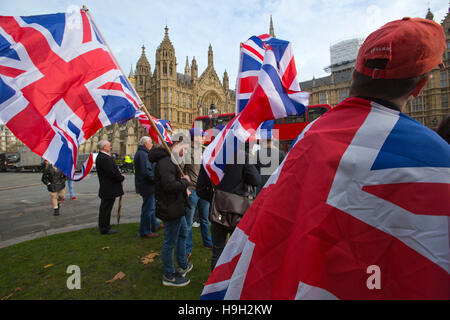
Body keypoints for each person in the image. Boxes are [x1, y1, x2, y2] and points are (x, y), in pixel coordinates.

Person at [201, 17, 450, 299]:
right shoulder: (441, 164)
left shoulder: (307, 141)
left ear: (355, 74)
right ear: (420, 86)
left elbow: (261, 241)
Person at [197, 144, 261, 271]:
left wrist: (215, 199)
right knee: (236, 251)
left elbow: (200, 189)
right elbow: (256, 180)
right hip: (237, 211)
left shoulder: (209, 157)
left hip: (218, 211)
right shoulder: (240, 155)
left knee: (218, 251)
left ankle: (215, 287)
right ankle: (230, 285)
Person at [148, 138, 192, 287]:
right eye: (184, 148)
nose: (185, 152)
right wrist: (185, 182)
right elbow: (169, 186)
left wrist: (182, 185)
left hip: (176, 206)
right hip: (170, 208)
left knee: (182, 234)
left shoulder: (170, 160)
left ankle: (182, 264)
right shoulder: (167, 162)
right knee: (170, 242)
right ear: (174, 145)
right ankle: (169, 275)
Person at [184, 128, 213, 260]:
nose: (202, 138)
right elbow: (181, 171)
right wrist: (185, 188)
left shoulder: (203, 150)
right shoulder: (186, 151)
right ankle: (188, 248)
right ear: (194, 137)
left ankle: (207, 242)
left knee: (205, 219)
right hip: (192, 190)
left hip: (203, 190)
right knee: (189, 222)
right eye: (201, 136)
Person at [95, 140, 125, 235]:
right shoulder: (104, 158)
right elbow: (112, 173)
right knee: (106, 208)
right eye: (109, 146)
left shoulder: (103, 157)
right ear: (104, 147)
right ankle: (104, 228)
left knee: (106, 208)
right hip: (108, 187)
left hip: (107, 187)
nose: (110, 147)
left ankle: (105, 224)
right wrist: (121, 177)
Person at [134, 136, 160, 239]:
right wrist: (156, 180)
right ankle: (145, 231)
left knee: (151, 207)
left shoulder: (143, 153)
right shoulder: (143, 155)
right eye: (150, 142)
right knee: (148, 209)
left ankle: (154, 225)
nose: (152, 144)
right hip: (147, 186)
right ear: (145, 144)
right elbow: (147, 172)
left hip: (146, 185)